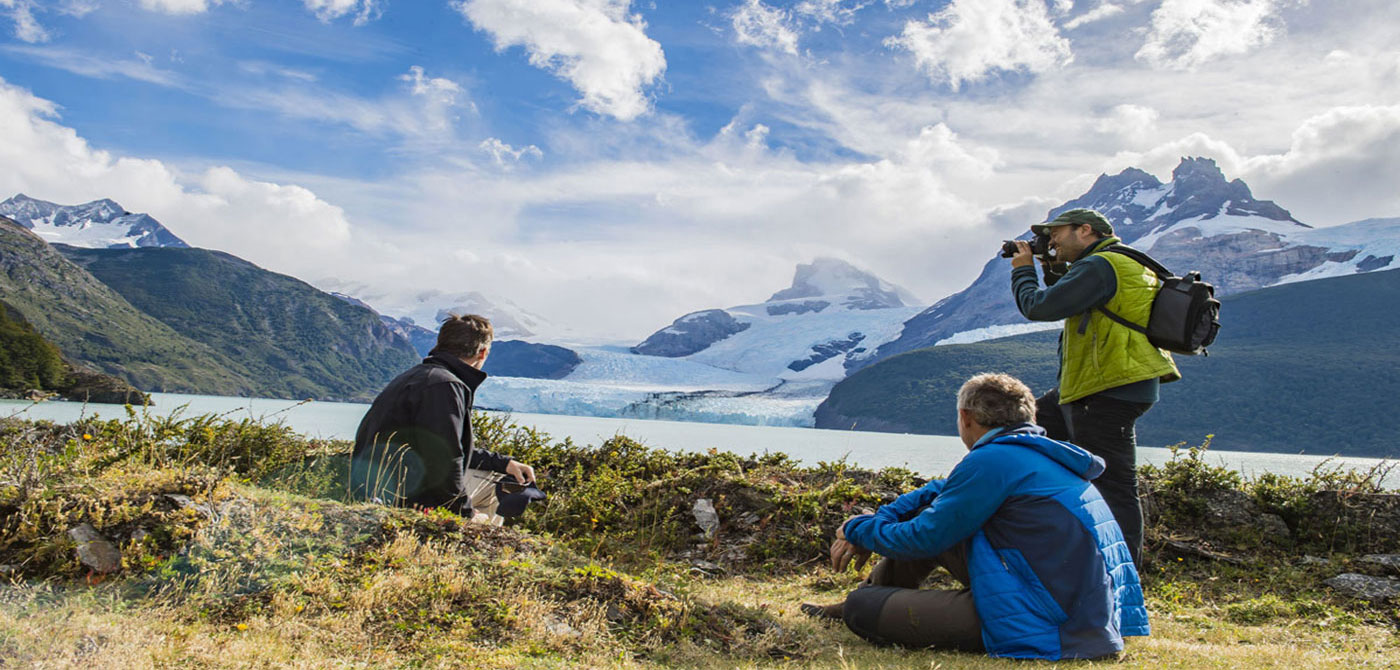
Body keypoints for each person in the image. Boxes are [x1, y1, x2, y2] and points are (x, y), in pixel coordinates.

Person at [803, 373, 1147, 660]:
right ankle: (865, 596)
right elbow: (941, 490)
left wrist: (858, 529)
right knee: (932, 516)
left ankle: (857, 602)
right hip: (1077, 608)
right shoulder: (1033, 454)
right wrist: (878, 518)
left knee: (862, 609)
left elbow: (923, 537)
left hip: (1050, 619)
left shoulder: (993, 460)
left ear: (966, 417)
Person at [1008, 208, 1179, 566]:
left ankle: (1122, 576)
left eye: (1056, 233)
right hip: (1096, 386)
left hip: (1106, 390)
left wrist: (1023, 269)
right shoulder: (1116, 262)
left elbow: (1038, 307)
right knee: (1021, 437)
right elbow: (1070, 295)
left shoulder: (1102, 265)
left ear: (1085, 230)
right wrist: (1050, 264)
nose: (1050, 240)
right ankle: (1045, 547)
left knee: (1114, 487)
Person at [351, 313, 535, 523]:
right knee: (499, 492)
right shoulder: (444, 386)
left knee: (502, 478)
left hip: (384, 486)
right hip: (407, 496)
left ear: (441, 344)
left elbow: (442, 446)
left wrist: (504, 464)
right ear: (482, 353)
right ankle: (468, 546)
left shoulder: (419, 376)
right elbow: (446, 460)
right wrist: (466, 513)